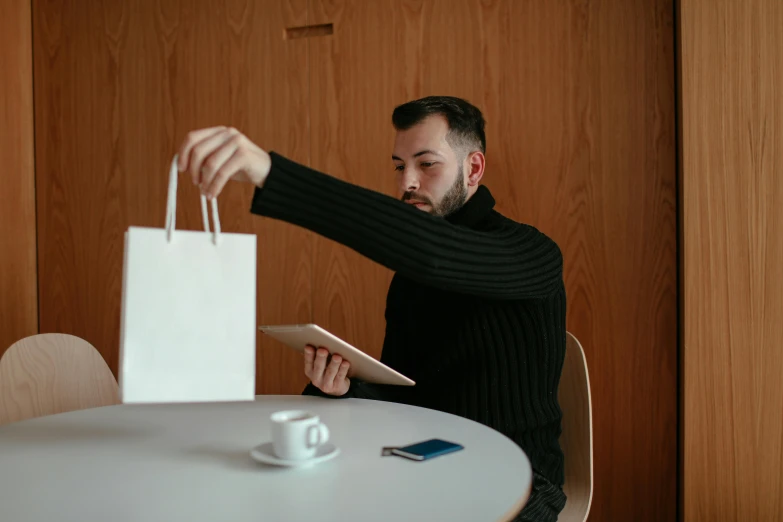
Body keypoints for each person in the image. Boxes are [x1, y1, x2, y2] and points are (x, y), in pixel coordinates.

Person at [177, 96, 567, 521]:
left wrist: (270, 173)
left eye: (427, 164)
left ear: (473, 168)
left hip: (520, 477)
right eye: (400, 166)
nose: (407, 183)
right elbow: (403, 395)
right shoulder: (410, 277)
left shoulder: (533, 253)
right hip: (420, 462)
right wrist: (346, 387)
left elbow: (435, 253)